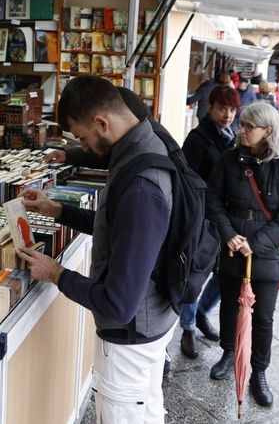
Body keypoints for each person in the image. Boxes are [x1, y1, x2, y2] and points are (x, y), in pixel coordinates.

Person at [18, 75, 177, 423]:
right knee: (148, 408)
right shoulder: (142, 143)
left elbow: (118, 304)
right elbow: (119, 228)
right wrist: (57, 210)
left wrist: (56, 273)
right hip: (152, 319)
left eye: (82, 137)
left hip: (130, 337)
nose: (85, 147)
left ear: (102, 122)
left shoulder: (141, 185)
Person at [206, 102, 279, 408]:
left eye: (250, 126)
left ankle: (259, 372)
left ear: (268, 130)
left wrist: (258, 243)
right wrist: (228, 233)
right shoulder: (230, 158)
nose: (242, 130)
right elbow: (213, 199)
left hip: (266, 251)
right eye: (243, 124)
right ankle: (228, 353)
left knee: (262, 317)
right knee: (229, 306)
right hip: (233, 246)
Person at [177, 85, 241, 359]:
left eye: (232, 109)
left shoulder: (234, 137)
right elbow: (187, 180)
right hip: (202, 217)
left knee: (225, 272)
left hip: (226, 217)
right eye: (222, 108)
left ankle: (203, 312)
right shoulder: (198, 139)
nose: (227, 114)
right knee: (195, 273)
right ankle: (188, 327)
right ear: (210, 107)